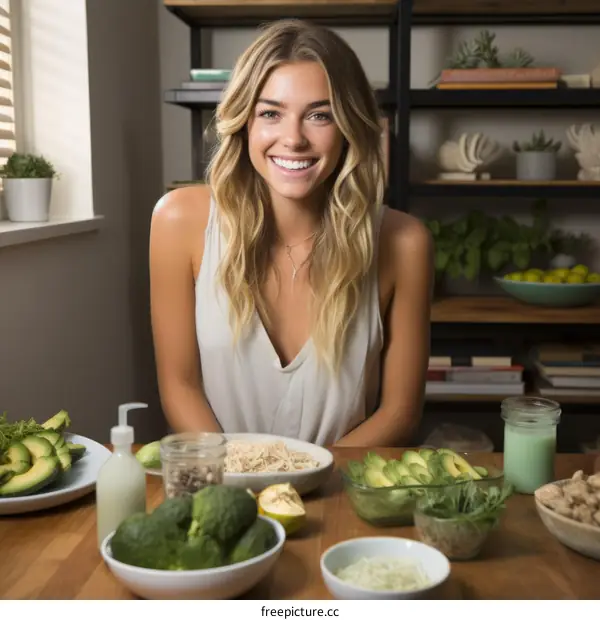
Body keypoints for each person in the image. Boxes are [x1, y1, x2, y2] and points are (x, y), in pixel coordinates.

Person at [149, 19, 434, 447]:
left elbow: (400, 412)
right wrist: (242, 477)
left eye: (320, 115)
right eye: (270, 113)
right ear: (244, 121)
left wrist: (311, 476)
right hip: (221, 490)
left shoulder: (405, 243)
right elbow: (179, 386)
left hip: (342, 491)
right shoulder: (179, 222)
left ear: (349, 128)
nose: (293, 138)